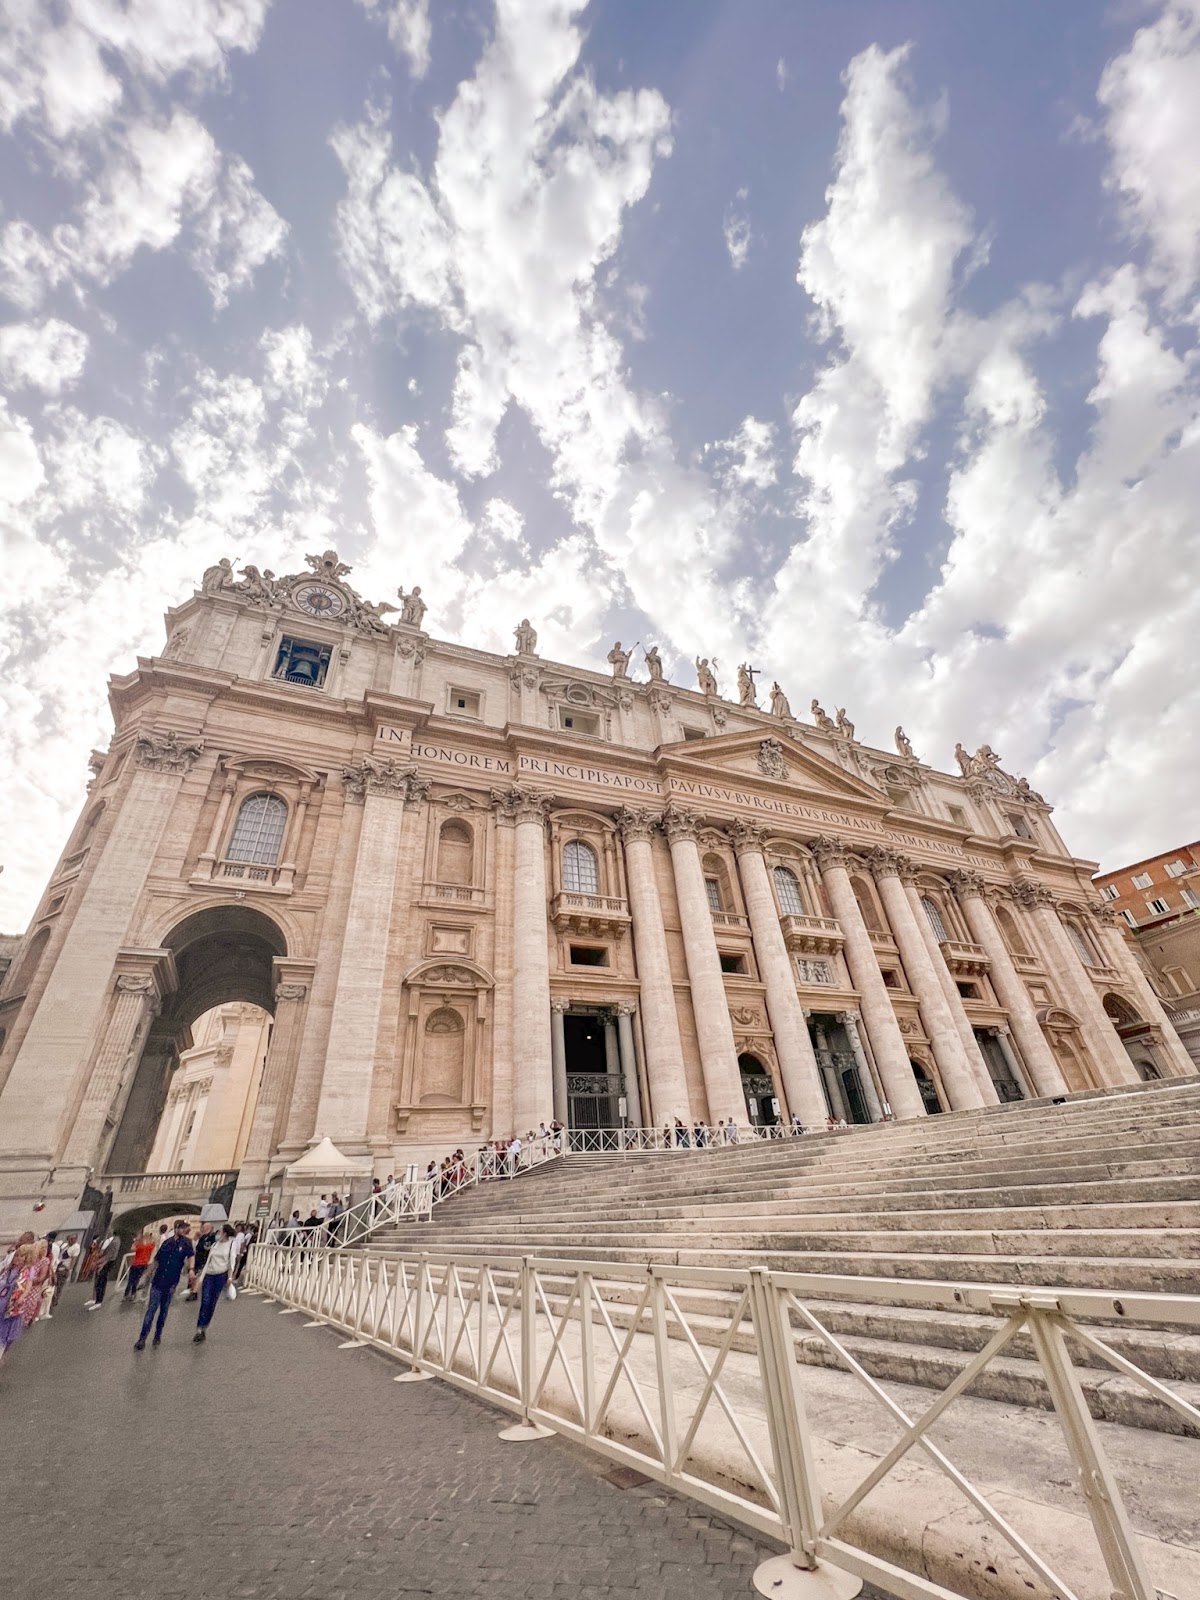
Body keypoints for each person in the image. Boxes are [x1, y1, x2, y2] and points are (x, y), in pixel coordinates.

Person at [134, 1220, 194, 1350]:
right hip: (158, 1280)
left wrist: (191, 1269)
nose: (184, 1230)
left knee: (163, 1311)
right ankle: (142, 1338)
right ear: (176, 1228)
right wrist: (145, 1276)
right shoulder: (166, 1243)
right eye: (181, 1228)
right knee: (151, 1310)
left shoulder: (186, 1243)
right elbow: (156, 1260)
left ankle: (157, 1335)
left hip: (171, 1282)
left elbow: (191, 1256)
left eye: (184, 1228)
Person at [192, 1224, 238, 1344]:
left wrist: (230, 1277)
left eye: (220, 1232)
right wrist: (201, 1278)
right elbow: (208, 1261)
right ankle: (199, 1329)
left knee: (212, 1302)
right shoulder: (215, 1245)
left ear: (225, 1233)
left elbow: (231, 1261)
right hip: (209, 1274)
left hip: (220, 1275)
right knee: (205, 1301)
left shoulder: (231, 1244)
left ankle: (205, 1327)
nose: (218, 1234)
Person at [0, 1234, 37, 1366]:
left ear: (27, 1258)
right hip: (2, 1298)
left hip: (12, 1303)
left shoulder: (28, 1271)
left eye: (21, 1256)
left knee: (7, 1330)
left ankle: (2, 1352)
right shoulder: (9, 1269)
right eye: (17, 1256)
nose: (17, 1258)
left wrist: (22, 1297)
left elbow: (28, 1286)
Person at [84, 1228, 122, 1310]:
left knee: (101, 1281)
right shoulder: (107, 1240)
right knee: (97, 1280)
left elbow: (110, 1255)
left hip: (107, 1263)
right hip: (102, 1261)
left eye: (108, 1231)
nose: (106, 1233)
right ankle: (94, 1298)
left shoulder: (115, 1241)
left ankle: (98, 1301)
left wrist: (98, 1262)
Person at [123, 1233, 155, 1301]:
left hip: (135, 1263)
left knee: (130, 1280)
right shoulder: (151, 1246)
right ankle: (133, 1295)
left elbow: (132, 1248)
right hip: (143, 1264)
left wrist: (136, 1241)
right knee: (136, 1280)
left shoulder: (139, 1245)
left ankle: (126, 1295)